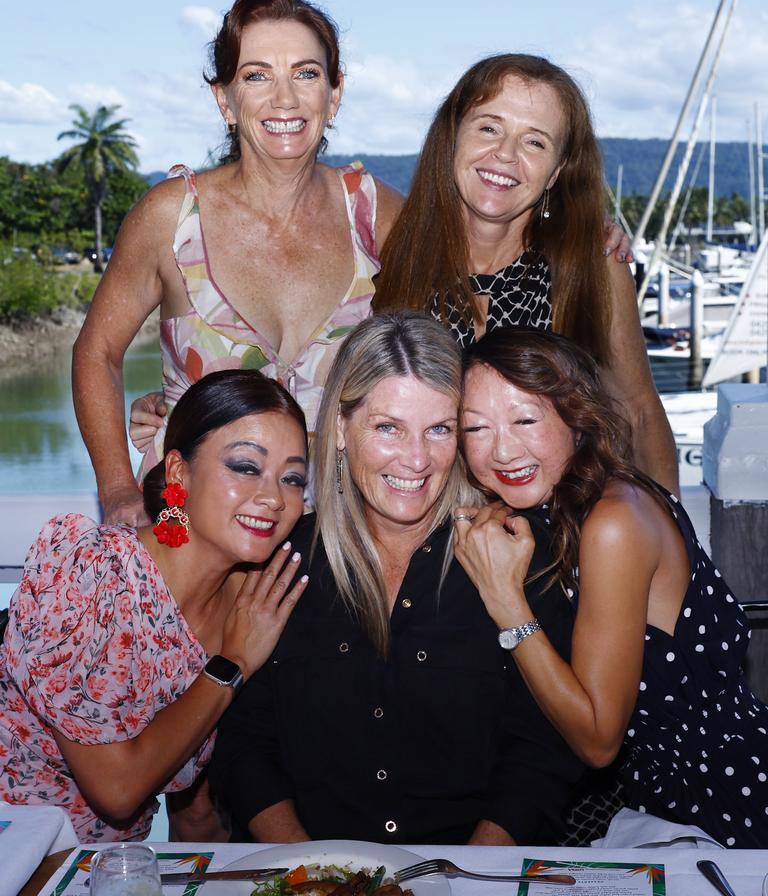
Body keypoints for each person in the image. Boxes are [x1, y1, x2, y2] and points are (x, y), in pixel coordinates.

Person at [208, 312, 585, 845]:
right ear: (341, 429)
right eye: (388, 427)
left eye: (439, 430)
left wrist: (470, 879)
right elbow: (244, 745)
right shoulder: (280, 558)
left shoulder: (512, 552)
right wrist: (312, 874)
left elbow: (541, 755)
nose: (416, 459)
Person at [72, 0, 403, 526]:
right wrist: (116, 488)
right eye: (256, 75)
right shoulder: (171, 218)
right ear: (225, 100)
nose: (285, 98)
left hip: (337, 540)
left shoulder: (373, 211)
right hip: (190, 535)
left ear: (334, 94)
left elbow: (476, 277)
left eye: (306, 73)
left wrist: (587, 232)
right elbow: (97, 352)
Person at [453, 327, 768, 849]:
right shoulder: (577, 503)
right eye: (476, 429)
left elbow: (599, 740)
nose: (503, 450)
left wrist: (504, 601)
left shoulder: (613, 522)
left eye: (526, 419)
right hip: (665, 802)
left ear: (576, 419)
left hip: (728, 804)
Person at [0, 370, 308, 842]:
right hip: (18, 849)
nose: (272, 497)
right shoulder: (96, 577)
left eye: (291, 478)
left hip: (113, 864)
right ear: (179, 472)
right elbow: (118, 789)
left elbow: (203, 790)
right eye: (245, 467)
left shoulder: (255, 597)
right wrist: (234, 662)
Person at [373, 54, 678, 493]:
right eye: (489, 127)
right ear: (452, 136)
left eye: (535, 142)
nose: (505, 154)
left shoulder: (589, 265)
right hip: (420, 521)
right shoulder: (391, 245)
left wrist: (673, 539)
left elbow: (637, 410)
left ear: (556, 171)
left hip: (557, 529)